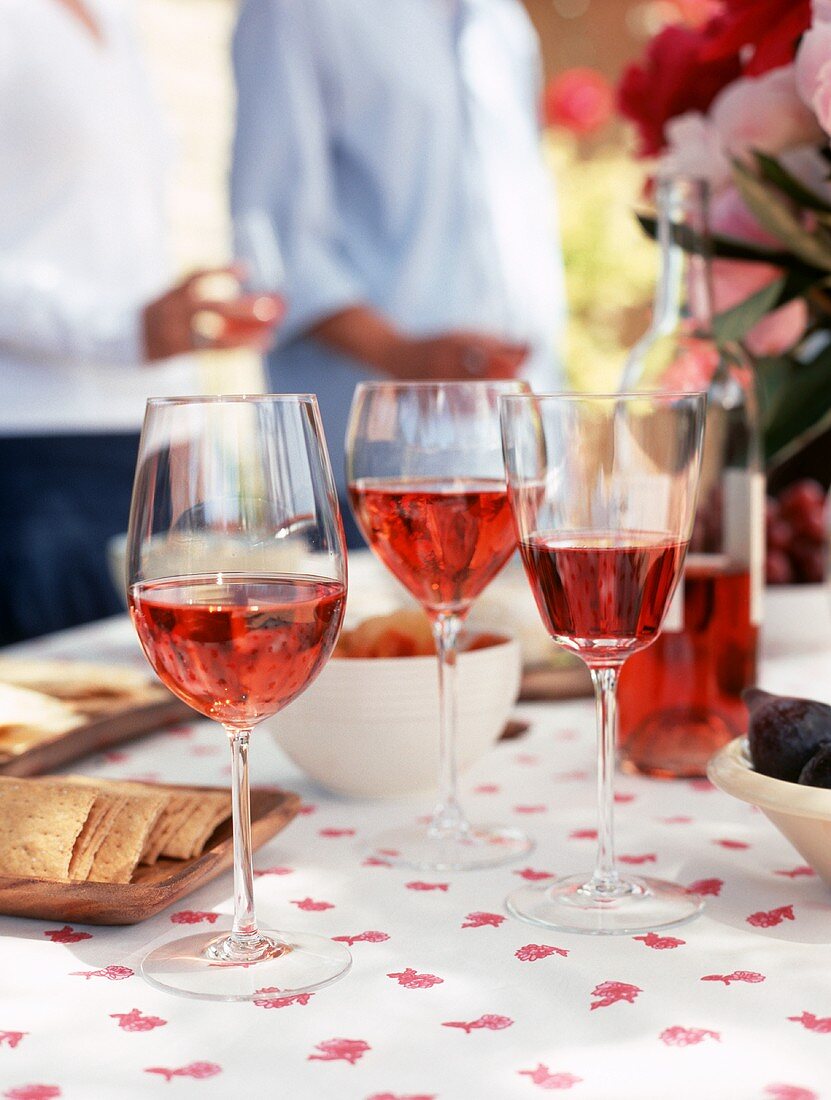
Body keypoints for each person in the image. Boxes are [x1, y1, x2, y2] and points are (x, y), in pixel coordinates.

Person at [0, 0, 281, 645]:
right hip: (31, 454)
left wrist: (180, 428)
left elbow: (128, 247)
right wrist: (124, 331)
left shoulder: (116, 18)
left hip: (139, 448)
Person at [231, 0, 567, 527]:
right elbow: (275, 242)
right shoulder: (297, 11)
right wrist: (405, 358)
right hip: (375, 479)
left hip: (519, 470)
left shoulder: (503, 24)